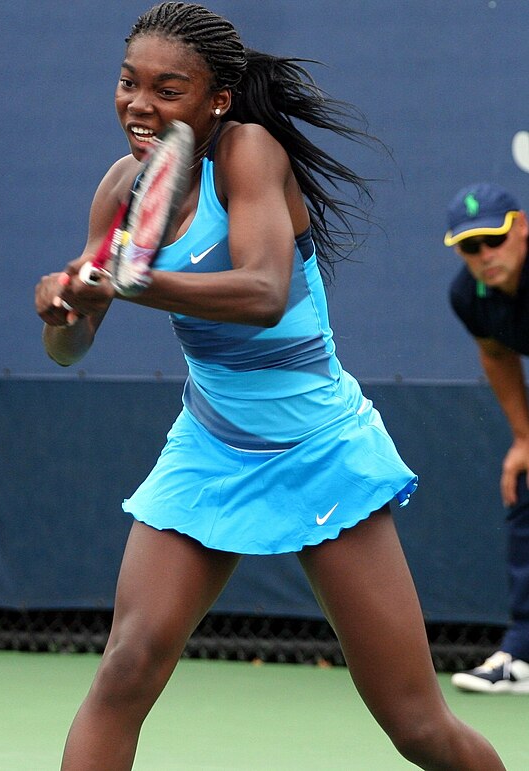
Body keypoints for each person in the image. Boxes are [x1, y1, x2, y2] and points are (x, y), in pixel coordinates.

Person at [35, 4, 505, 768]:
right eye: (128, 84)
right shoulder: (123, 186)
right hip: (211, 442)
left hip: (320, 447)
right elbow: (68, 348)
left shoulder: (251, 151)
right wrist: (64, 307)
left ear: (217, 99)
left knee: (417, 725)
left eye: (168, 87)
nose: (139, 105)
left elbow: (259, 289)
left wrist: (132, 283)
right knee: (125, 666)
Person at [445, 181, 529, 694]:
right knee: (525, 484)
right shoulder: (467, 295)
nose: (484, 256)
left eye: (494, 240)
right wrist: (523, 439)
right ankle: (521, 656)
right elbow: (497, 354)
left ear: (522, 229)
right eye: (470, 247)